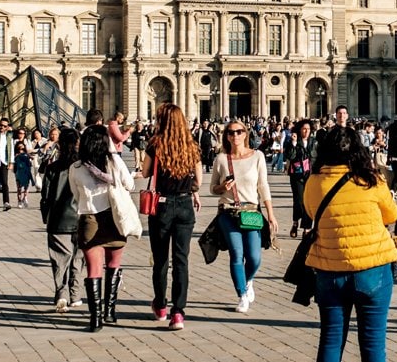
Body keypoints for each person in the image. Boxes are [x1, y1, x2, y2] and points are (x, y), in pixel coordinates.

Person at [305, 126, 397, 362]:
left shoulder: (314, 182)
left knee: (331, 340)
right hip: (372, 270)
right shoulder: (371, 180)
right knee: (373, 344)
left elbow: (311, 213)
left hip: (329, 270)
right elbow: (391, 214)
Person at [140, 103, 202, 330]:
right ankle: (178, 312)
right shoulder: (191, 145)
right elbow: (199, 181)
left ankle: (161, 306)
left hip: (162, 205)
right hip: (185, 204)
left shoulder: (155, 144)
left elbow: (146, 172)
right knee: (181, 260)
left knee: (161, 259)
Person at [69, 125, 135, 332]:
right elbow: (130, 185)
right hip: (114, 218)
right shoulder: (114, 162)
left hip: (90, 219)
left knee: (93, 270)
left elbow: (75, 195)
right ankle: (110, 311)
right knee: (113, 264)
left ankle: (95, 319)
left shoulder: (76, 167)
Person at [211, 119, 277, 313]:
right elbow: (212, 188)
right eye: (231, 133)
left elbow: (263, 186)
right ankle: (241, 294)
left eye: (239, 132)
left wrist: (271, 214)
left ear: (246, 133)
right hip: (228, 212)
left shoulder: (257, 156)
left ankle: (247, 280)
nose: (235, 136)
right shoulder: (221, 159)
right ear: (226, 136)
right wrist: (222, 187)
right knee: (236, 254)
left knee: (255, 257)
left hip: (251, 211)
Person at [39, 127, 82, 313]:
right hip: (81, 218)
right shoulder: (83, 168)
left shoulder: (52, 168)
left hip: (58, 220)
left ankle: (61, 294)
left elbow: (45, 195)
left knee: (59, 260)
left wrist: (46, 216)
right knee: (78, 259)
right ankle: (76, 295)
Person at [287, 119, 318, 238]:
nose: (306, 131)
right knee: (299, 200)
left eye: (308, 129)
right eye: (304, 129)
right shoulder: (294, 141)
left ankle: (307, 228)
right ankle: (295, 222)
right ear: (300, 130)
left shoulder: (314, 142)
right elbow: (290, 156)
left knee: (309, 202)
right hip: (297, 175)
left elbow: (318, 158)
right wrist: (293, 143)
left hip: (310, 175)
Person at [14, 128, 36, 208]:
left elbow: (30, 151)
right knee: (19, 185)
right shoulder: (15, 141)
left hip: (26, 167)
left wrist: (29, 154)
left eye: (23, 133)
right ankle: (19, 200)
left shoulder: (27, 141)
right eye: (20, 133)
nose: (21, 134)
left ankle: (25, 197)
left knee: (27, 184)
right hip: (18, 168)